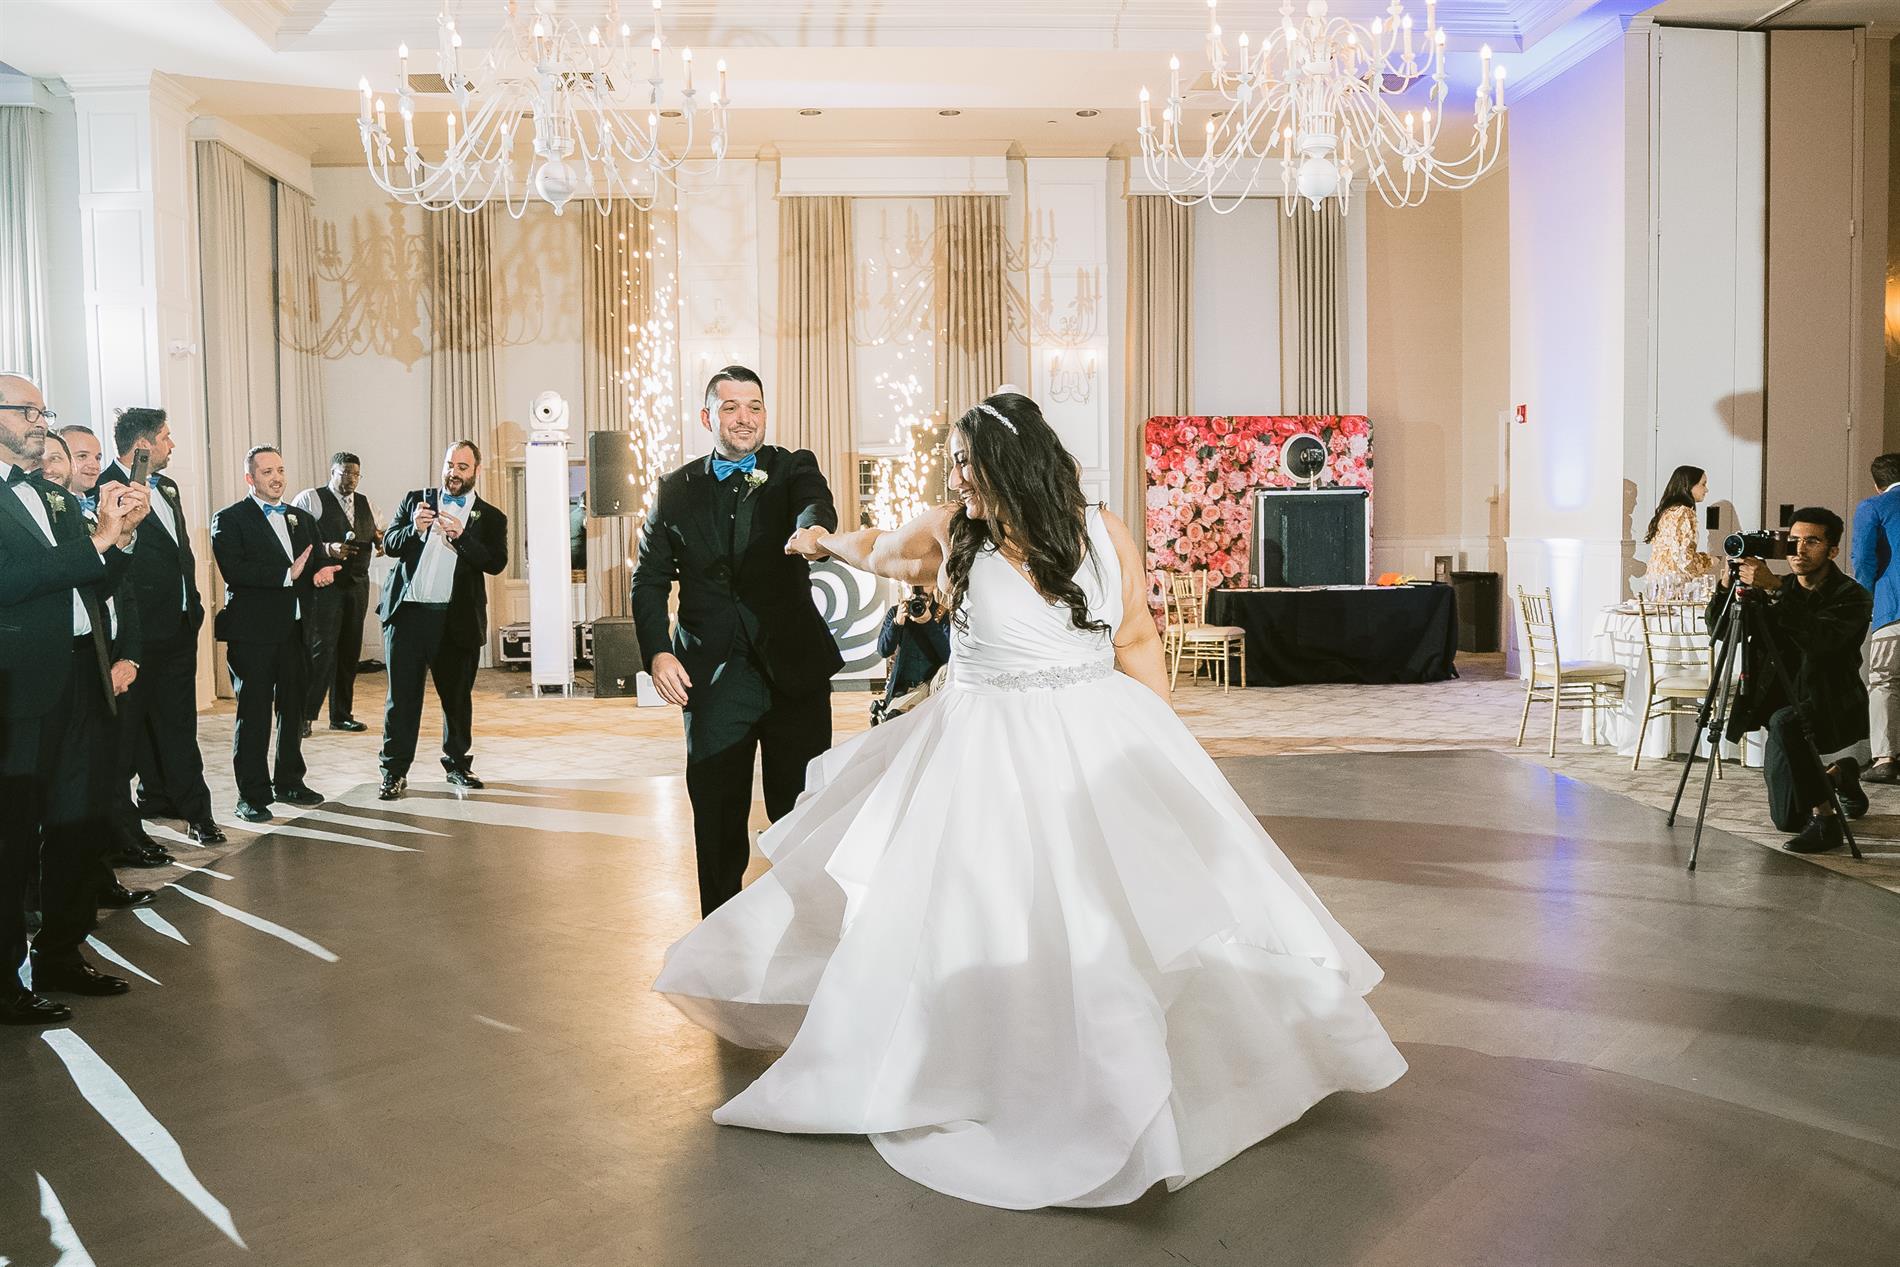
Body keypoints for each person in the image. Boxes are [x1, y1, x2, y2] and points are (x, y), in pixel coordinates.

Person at [653, 393, 1406, 1209]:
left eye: (966, 462)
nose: (956, 477)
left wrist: (1166, 747)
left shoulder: (1102, 530)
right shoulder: (957, 531)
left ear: (1010, 462)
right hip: (982, 756)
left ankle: (1124, 1082)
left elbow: (1136, 637)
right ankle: (992, 1061)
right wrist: (824, 540)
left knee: (1111, 915)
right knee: (990, 911)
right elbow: (883, 549)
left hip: (1095, 741)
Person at [630, 365, 842, 916]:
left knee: (801, 812)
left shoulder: (792, 466)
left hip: (792, 670)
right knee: (718, 817)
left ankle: (806, 928)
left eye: (754, 406)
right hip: (713, 677)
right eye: (731, 407)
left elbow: (815, 502)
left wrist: (813, 530)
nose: (744, 418)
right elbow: (648, 579)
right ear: (708, 417)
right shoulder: (674, 490)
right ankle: (718, 935)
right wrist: (657, 652)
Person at [1, 373, 151, 1023]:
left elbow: (92, 583)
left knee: (76, 826)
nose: (41, 422)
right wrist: (97, 542)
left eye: (43, 411)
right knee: (11, 840)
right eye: (27, 411)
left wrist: (123, 536)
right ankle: (4, 983)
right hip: (18, 691)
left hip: (80, 681)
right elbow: (11, 580)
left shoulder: (56, 500)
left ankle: (61, 952)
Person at [97, 407, 224, 848]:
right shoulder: (105, 490)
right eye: (166, 437)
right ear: (143, 446)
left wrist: (195, 607)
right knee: (126, 738)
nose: (172, 445)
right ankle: (126, 832)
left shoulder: (166, 487)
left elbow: (179, 552)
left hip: (178, 629)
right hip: (134, 638)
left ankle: (197, 813)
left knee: (179, 729)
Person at [1715, 508, 1874, 854]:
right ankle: (1840, 775)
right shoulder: (1776, 587)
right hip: (1779, 701)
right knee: (1787, 820)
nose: (1799, 549)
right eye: (1794, 541)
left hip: (1828, 699)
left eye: (1812, 542)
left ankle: (1826, 821)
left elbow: (1821, 642)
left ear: (1832, 550)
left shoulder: (1852, 596)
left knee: (1786, 721)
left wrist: (1775, 590)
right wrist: (1726, 586)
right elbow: (1722, 631)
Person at [46, 424, 158, 911]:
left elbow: (120, 597)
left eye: (95, 456)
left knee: (101, 780)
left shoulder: (93, 514)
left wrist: (127, 656)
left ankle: (96, 879)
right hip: (63, 669)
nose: (91, 464)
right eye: (78, 456)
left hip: (104, 665)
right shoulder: (50, 522)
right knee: (62, 794)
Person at [376, 440, 508, 801]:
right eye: (450, 465)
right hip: (407, 617)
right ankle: (393, 772)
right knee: (401, 700)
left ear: (476, 471)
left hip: (455, 620)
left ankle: (458, 765)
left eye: (462, 467)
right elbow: (390, 545)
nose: (454, 473)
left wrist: (462, 538)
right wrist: (414, 529)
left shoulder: (491, 517)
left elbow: (496, 563)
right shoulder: (415, 500)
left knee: (456, 699)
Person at [210, 446, 336, 823]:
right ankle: (251, 795)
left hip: (296, 631)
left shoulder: (301, 518)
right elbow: (234, 570)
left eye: (280, 470)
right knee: (254, 715)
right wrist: (287, 574)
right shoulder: (229, 519)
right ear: (250, 478)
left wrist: (320, 572)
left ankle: (290, 782)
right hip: (253, 634)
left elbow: (314, 562)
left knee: (293, 710)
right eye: (267, 472)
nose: (277, 478)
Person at [293, 452, 382, 735]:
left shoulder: (368, 504)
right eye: (345, 473)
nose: (351, 479)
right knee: (322, 650)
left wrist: (380, 540)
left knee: (349, 650)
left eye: (356, 474)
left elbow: (377, 533)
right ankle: (303, 716)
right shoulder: (311, 499)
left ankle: (341, 714)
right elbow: (296, 539)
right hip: (325, 585)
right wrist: (327, 548)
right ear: (332, 472)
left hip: (358, 585)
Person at [1852, 453, 1900, 784]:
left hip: (1893, 605)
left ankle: (1886, 758)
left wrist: (1862, 601)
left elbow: (1864, 559)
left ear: (1877, 484)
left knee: (1884, 679)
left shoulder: (1874, 506)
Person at [870, 587, 950, 724]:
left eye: (923, 583)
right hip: (903, 689)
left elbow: (949, 656)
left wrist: (929, 622)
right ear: (908, 585)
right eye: (915, 584)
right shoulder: (897, 612)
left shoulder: (942, 614)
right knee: (894, 719)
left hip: (932, 686)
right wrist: (896, 623)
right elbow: (883, 651)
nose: (919, 588)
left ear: (933, 584)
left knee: (947, 669)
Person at [1643, 465, 1715, 598]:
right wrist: (1710, 560)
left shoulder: (1668, 511)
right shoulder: (1683, 512)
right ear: (1689, 485)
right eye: (1703, 484)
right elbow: (1684, 558)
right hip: (1673, 585)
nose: (1706, 489)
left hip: (1657, 582)